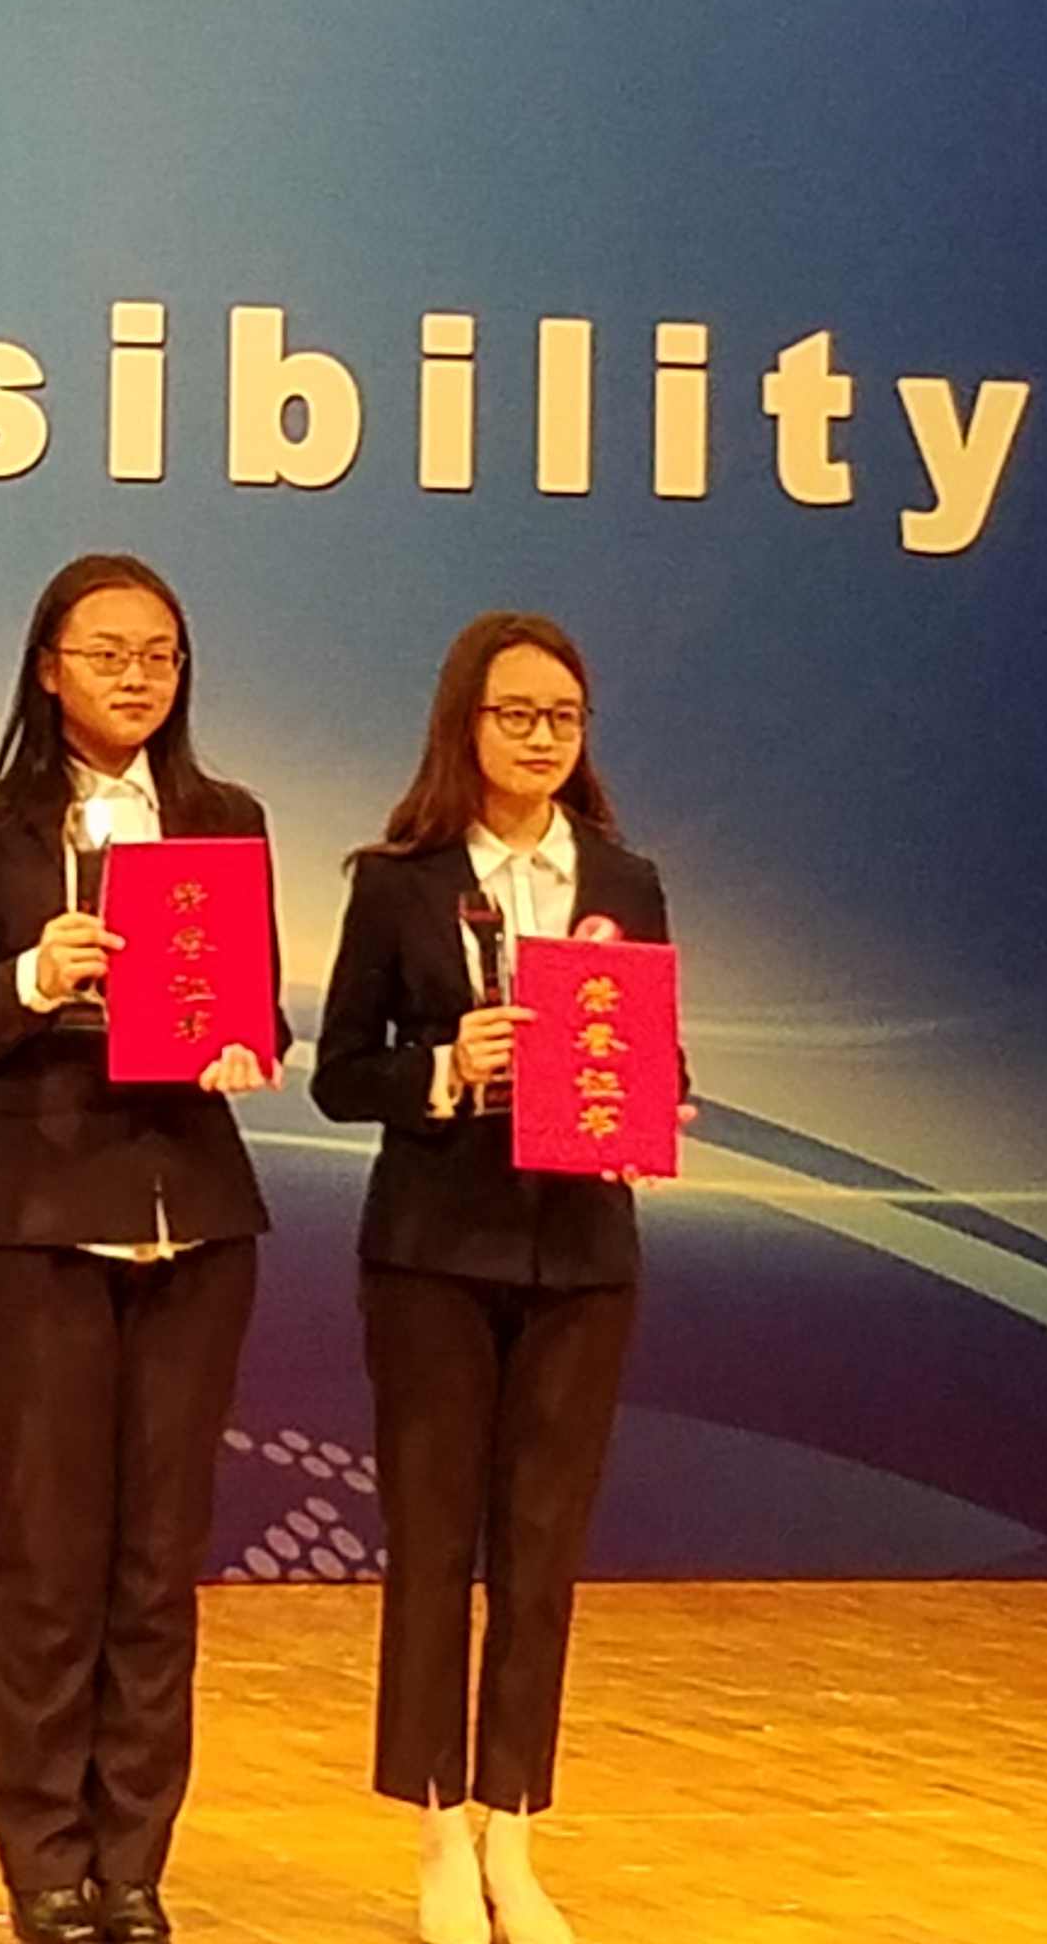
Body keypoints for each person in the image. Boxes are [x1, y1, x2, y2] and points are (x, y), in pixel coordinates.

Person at [0, 554, 285, 1944]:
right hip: (36, 1229)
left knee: (160, 1565)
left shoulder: (225, 820)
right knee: (51, 1560)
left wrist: (245, 1041)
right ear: (49, 667)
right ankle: (45, 1861)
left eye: (160, 654)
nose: (137, 676)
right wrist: (29, 978)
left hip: (197, 1221)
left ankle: (134, 1862)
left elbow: (259, 1011)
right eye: (108, 652)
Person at [312, 613, 677, 1944]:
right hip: (432, 1255)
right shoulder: (399, 882)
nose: (539, 738)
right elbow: (339, 1074)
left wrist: (657, 1106)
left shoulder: (624, 880)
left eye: (562, 718)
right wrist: (446, 1068)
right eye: (515, 714)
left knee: (541, 1554)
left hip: (582, 1256)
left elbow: (656, 1055)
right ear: (463, 723)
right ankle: (433, 1831)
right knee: (432, 1547)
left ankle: (512, 1833)